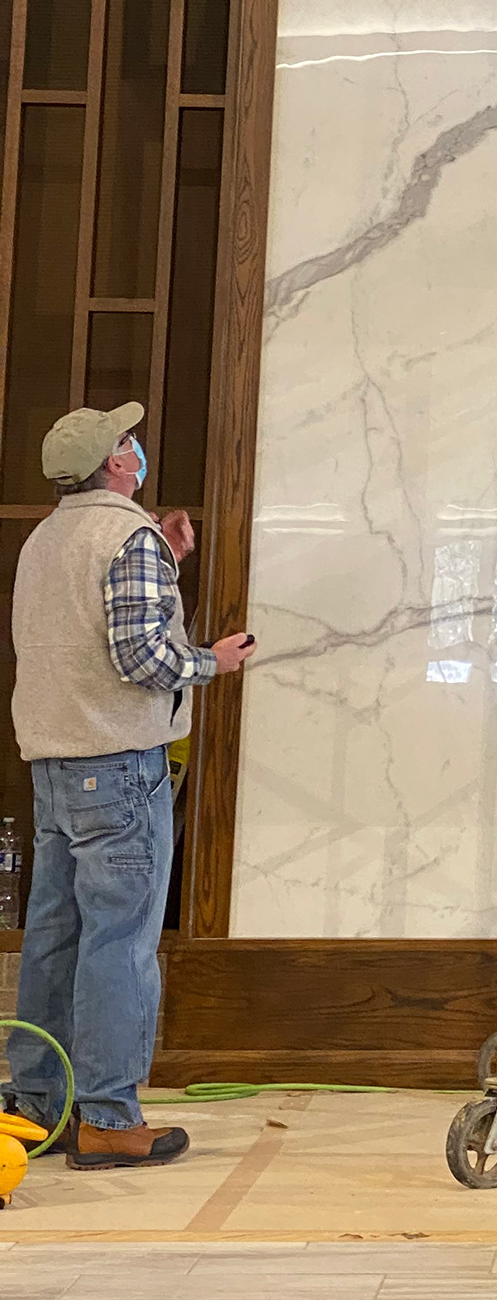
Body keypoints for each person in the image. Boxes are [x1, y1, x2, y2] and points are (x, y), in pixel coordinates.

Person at [8, 403, 254, 1170]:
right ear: (117, 463)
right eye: (128, 441)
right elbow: (143, 660)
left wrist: (163, 563)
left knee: (54, 938)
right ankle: (110, 1118)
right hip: (116, 766)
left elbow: (86, 631)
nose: (137, 447)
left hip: (53, 766)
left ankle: (36, 1108)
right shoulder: (129, 537)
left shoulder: (45, 539)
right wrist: (214, 660)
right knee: (119, 942)